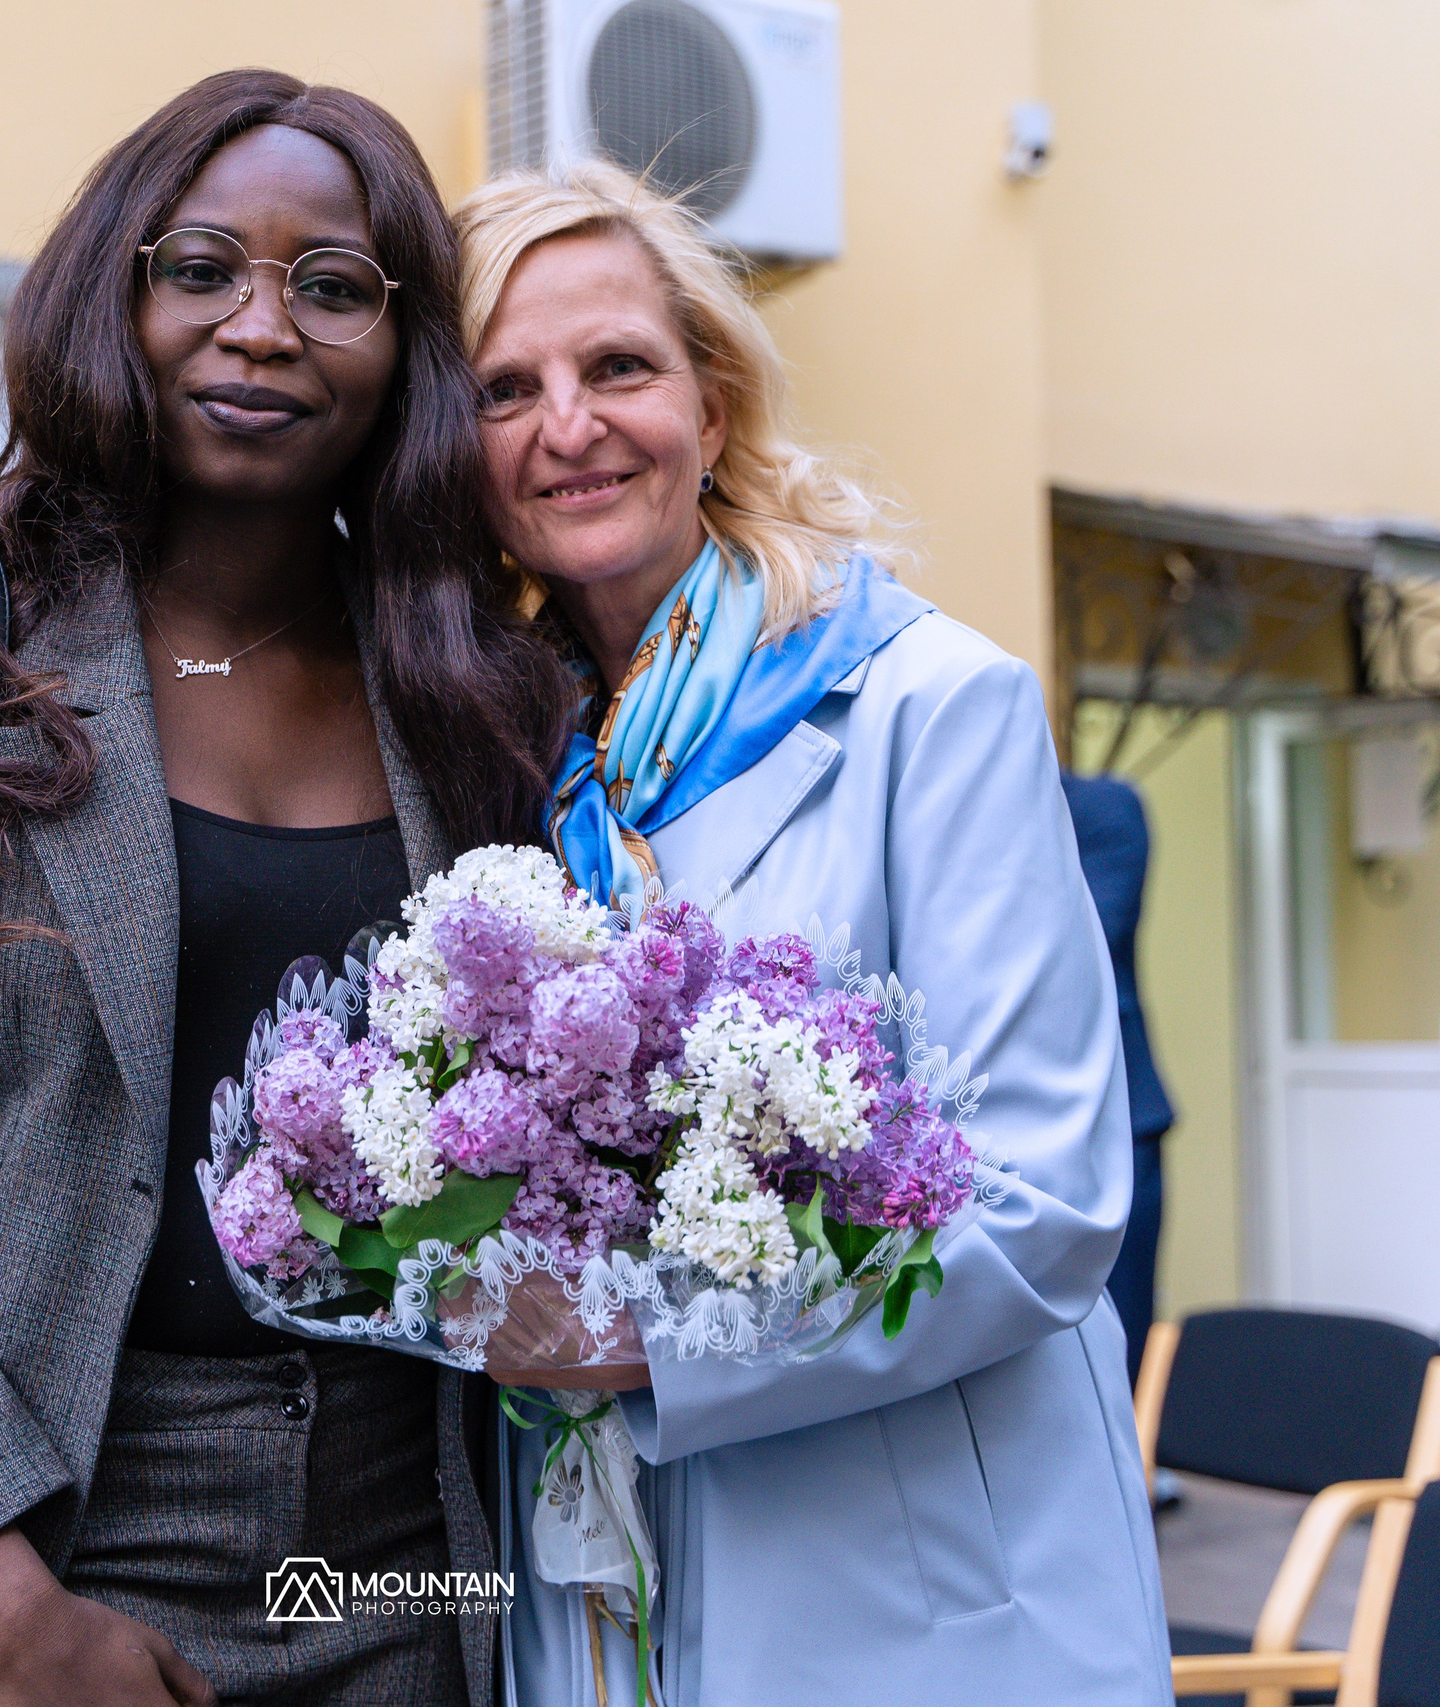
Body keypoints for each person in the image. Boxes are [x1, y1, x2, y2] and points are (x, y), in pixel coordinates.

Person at [0, 71, 568, 1707]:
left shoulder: (469, 686)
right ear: (119, 287)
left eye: (333, 286)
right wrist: (3, 1594)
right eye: (203, 266)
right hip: (39, 1532)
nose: (262, 324)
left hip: (402, 1549)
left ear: (404, 353)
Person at [454, 162, 1171, 1705]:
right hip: (605, 1577)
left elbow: (1042, 1198)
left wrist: (652, 1343)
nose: (566, 425)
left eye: (619, 367)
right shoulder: (506, 766)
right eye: (504, 387)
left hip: (921, 1598)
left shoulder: (929, 702)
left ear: (712, 407)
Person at [1062, 771, 1178, 1385]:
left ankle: (1133, 1471)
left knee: (1119, 1338)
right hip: (985, 1124)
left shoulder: (1101, 810)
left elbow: (1080, 947)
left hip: (1118, 1116)